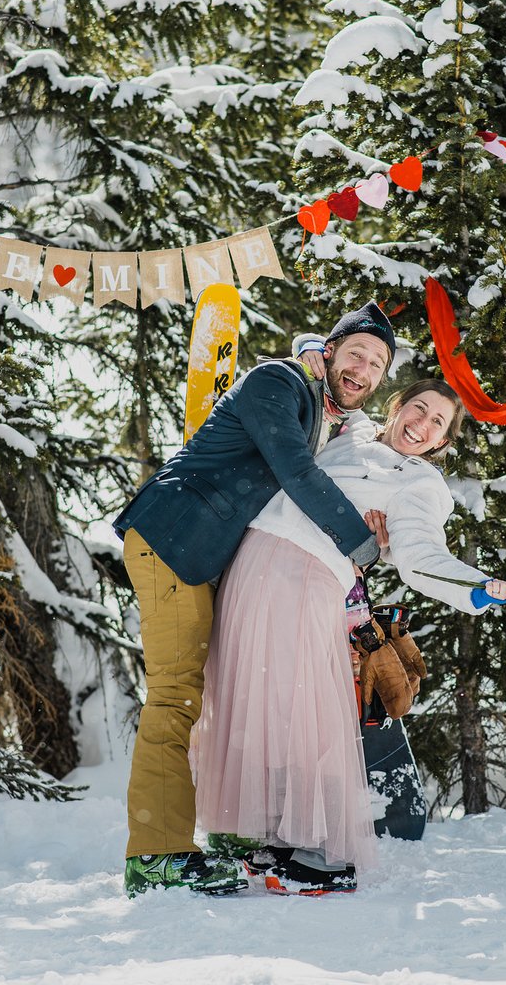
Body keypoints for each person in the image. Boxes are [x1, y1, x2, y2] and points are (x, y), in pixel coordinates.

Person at [192, 379, 506, 896]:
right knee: (258, 700)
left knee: (305, 707)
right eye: (419, 408)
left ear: (441, 443)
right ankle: (271, 835)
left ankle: (321, 850)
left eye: (438, 423)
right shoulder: (348, 428)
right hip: (252, 562)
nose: (422, 424)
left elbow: (418, 555)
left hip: (310, 575)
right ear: (397, 407)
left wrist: (477, 588)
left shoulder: (420, 483)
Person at [113, 301, 396, 897]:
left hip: (205, 554)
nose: (364, 369)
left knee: (220, 691)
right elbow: (295, 471)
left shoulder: (321, 413)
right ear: (329, 352)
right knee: (175, 695)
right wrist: (361, 544)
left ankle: (233, 830)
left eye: (377, 364)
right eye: (356, 353)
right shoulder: (278, 381)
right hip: (173, 539)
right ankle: (157, 855)